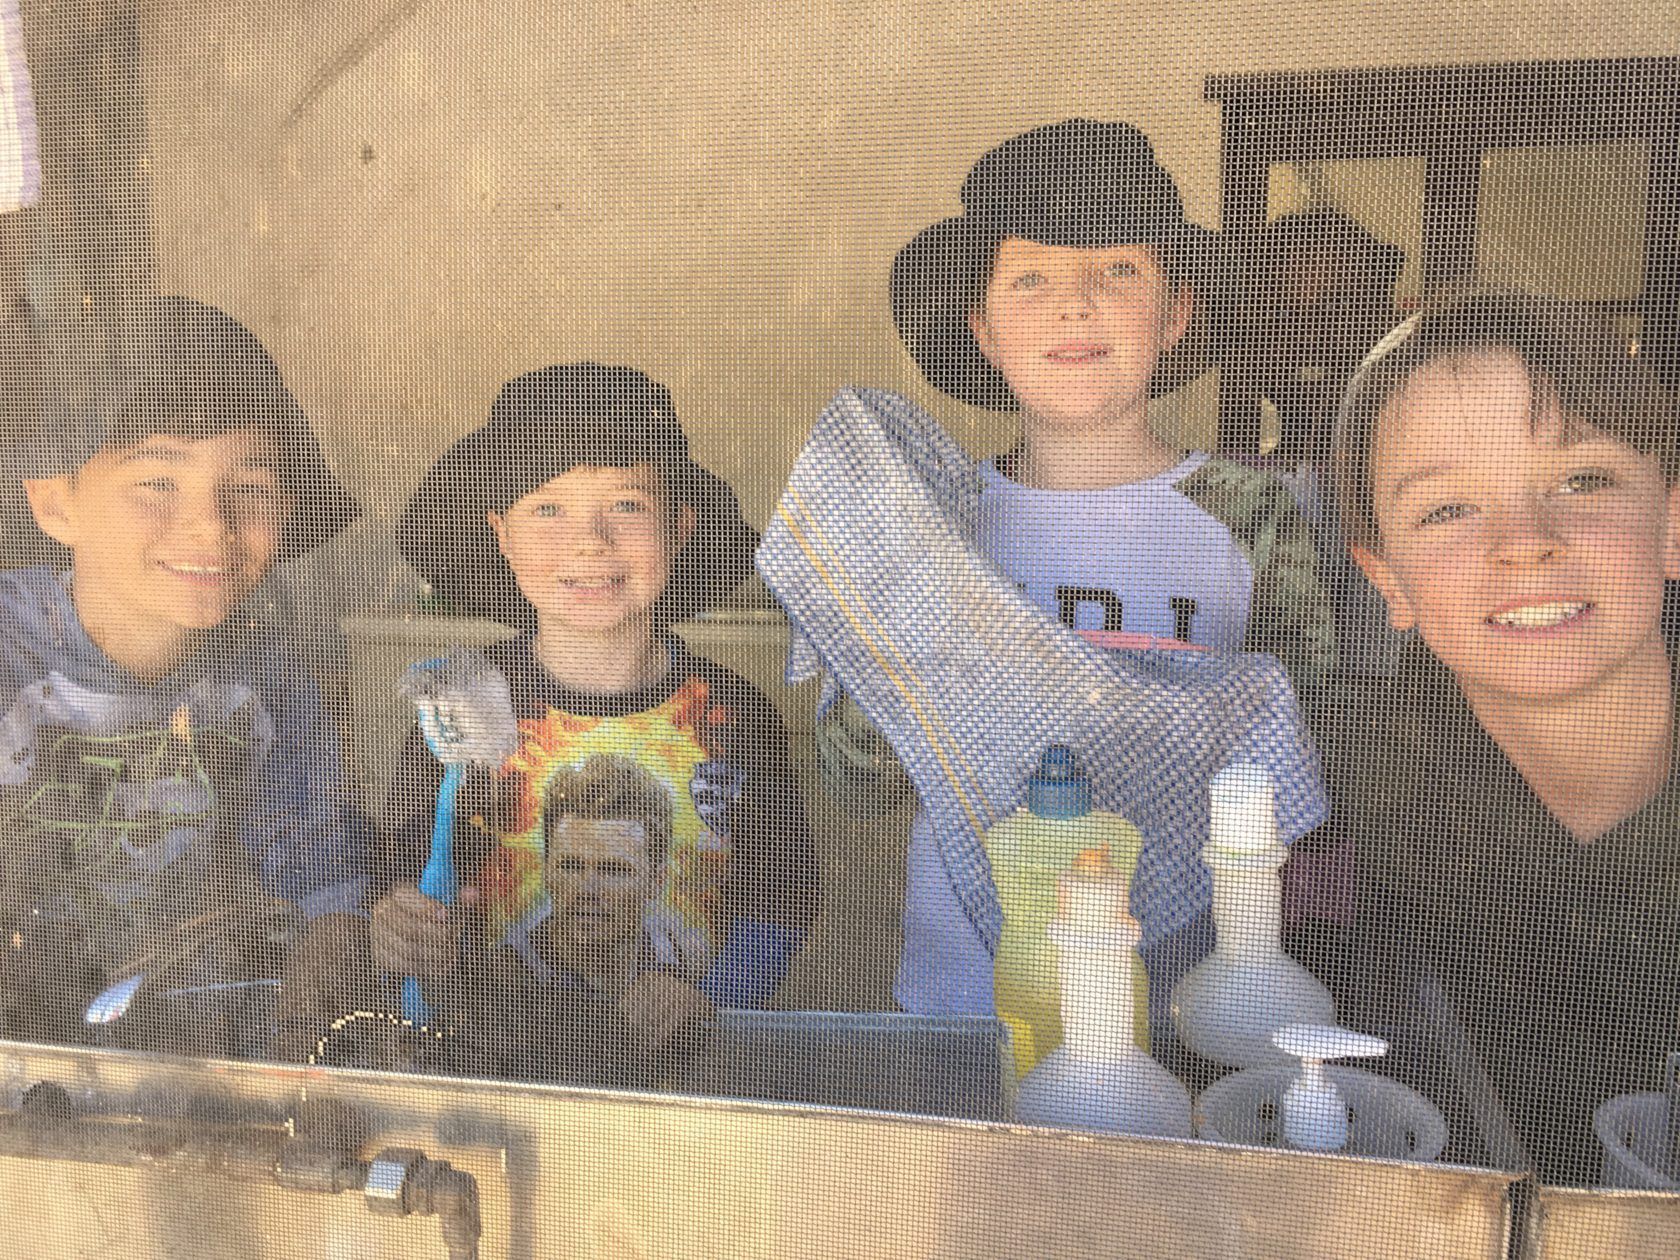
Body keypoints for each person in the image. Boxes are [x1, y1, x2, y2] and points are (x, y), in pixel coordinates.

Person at [821, 118, 1335, 1019]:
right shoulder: (931, 521)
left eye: (1119, 270)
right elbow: (855, 774)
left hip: (1191, 997)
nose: (1076, 306)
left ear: (1177, 314)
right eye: (1030, 278)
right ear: (979, 325)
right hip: (967, 992)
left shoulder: (1250, 515)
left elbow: (1309, 754)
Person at [1320, 289, 1680, 1183]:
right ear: (1387, 583)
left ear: (1672, 523)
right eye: (1447, 510)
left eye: (1581, 481)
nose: (1525, 543)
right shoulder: (1340, 797)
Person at [371, 363, 816, 1049]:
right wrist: (394, 920)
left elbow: (781, 897)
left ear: (680, 527)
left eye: (627, 505)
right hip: (491, 1063)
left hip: (677, 1075)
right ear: (502, 534)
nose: (590, 541)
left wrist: (715, 994)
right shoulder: (462, 707)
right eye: (548, 507)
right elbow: (400, 876)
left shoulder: (735, 716)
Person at [0, 295, 366, 1057]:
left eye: (251, 488)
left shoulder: (269, 675)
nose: (211, 525)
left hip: (193, 1048)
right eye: (157, 483)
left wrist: (320, 988)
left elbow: (316, 873)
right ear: (54, 502)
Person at [289, 756, 693, 1088]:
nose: (588, 888)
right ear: (547, 872)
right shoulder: (506, 969)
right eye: (570, 866)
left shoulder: (683, 950)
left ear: (655, 881)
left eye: (613, 870)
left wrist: (699, 1005)